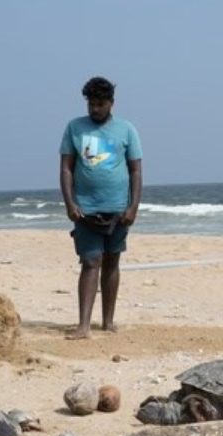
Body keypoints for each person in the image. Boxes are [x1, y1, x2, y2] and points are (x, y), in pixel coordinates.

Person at [59, 76, 143, 339]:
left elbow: (136, 170)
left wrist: (133, 207)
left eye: (100, 104)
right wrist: (70, 203)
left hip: (118, 209)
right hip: (85, 209)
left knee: (112, 261)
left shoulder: (126, 129)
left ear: (111, 103)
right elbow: (66, 168)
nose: (95, 109)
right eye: (91, 104)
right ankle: (84, 325)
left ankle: (107, 321)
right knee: (90, 261)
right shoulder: (75, 128)